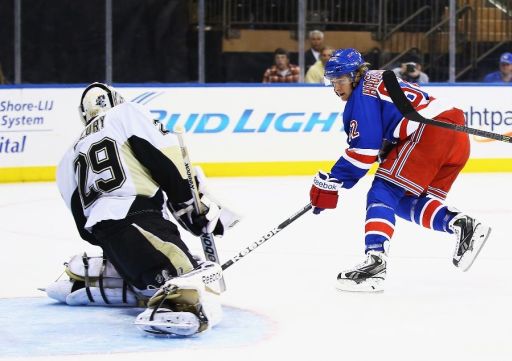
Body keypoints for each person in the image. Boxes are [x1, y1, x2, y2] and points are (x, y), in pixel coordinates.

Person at [46, 82, 239, 335]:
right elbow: (164, 159)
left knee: (152, 271)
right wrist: (192, 204)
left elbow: (83, 225)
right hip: (141, 219)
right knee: (194, 281)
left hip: (107, 235)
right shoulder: (127, 112)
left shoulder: (68, 156)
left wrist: (115, 244)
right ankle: (171, 296)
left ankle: (119, 275)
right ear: (117, 99)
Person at [309, 48, 491, 292]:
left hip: (430, 132)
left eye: (340, 80)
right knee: (403, 200)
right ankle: (460, 225)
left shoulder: (362, 93)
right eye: (332, 81)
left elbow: (364, 151)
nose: (336, 87)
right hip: (452, 134)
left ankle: (375, 263)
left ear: (355, 75)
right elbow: (386, 134)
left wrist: (333, 181)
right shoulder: (375, 79)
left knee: (382, 192)